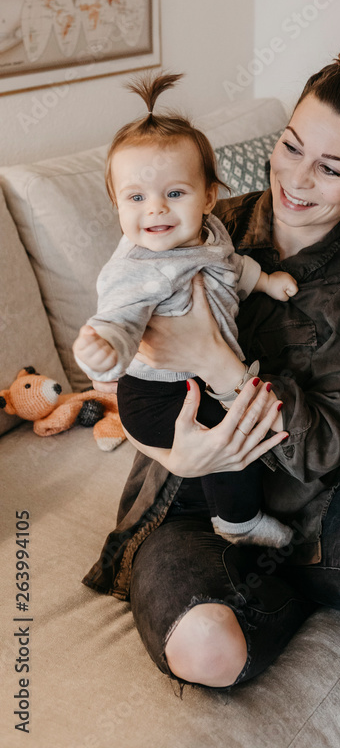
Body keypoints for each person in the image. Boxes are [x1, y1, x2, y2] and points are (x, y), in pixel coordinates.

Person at [84, 27, 340, 748]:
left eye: (332, 169)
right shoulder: (208, 224)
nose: (296, 180)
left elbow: (325, 448)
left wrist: (222, 365)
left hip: (312, 504)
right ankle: (269, 590)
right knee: (206, 650)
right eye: (291, 146)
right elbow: (127, 351)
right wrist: (173, 452)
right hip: (185, 500)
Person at [73, 72, 297, 547]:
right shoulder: (137, 268)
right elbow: (122, 318)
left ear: (208, 197)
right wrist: (105, 346)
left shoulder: (210, 233)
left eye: (174, 193)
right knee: (225, 432)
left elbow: (230, 266)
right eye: (136, 198)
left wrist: (267, 281)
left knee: (237, 425)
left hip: (195, 379)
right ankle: (238, 523)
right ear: (116, 204)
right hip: (153, 396)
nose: (155, 210)